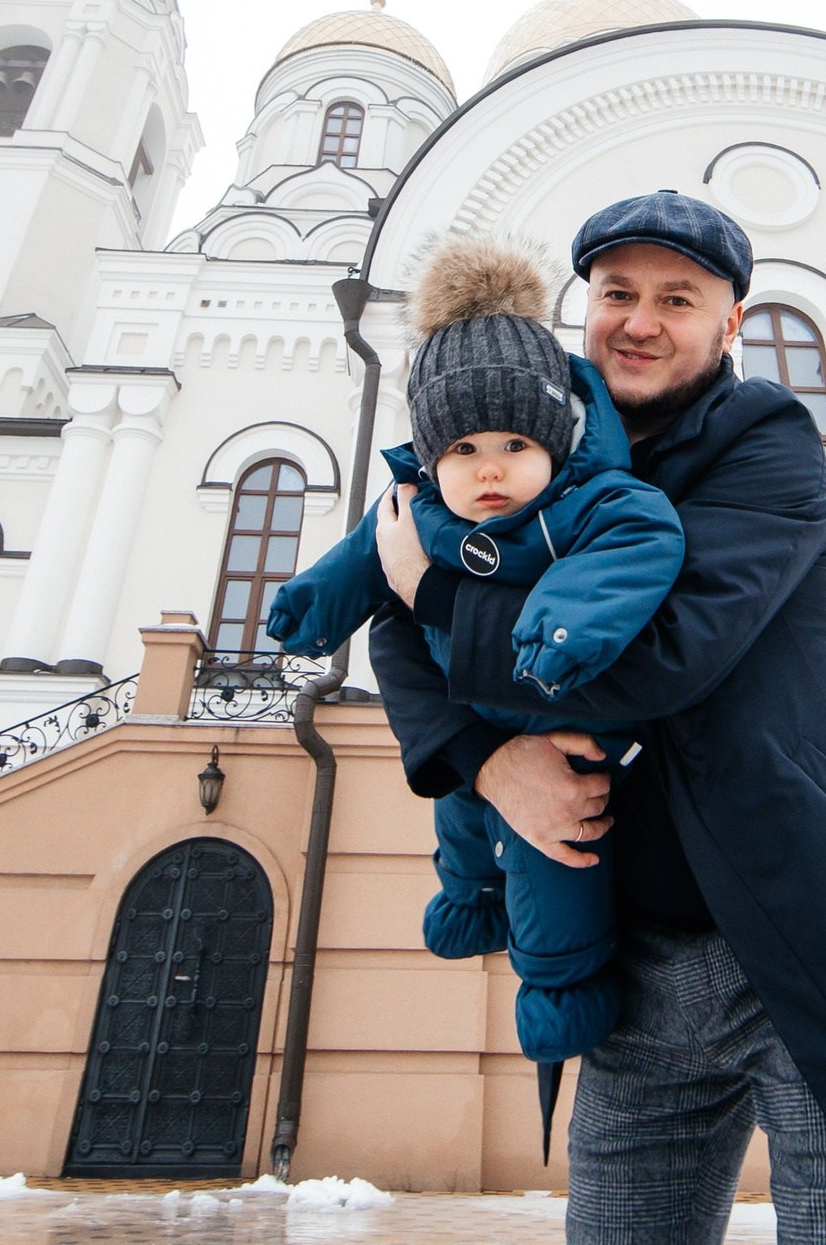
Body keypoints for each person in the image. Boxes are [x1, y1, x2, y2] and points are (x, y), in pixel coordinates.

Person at [368, 192, 826, 1245]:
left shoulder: (761, 442)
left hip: (799, 939)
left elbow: (659, 658)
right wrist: (488, 759)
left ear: (730, 324)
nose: (639, 320)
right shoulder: (526, 445)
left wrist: (435, 591)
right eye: (617, 293)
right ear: (581, 307)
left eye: (676, 298)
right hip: (633, 960)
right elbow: (398, 618)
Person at [266, 237, 683, 1099]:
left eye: (512, 443)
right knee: (461, 822)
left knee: (553, 863)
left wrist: (561, 627)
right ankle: (466, 902)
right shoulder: (416, 508)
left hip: (562, 726)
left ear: (558, 437)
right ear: (430, 457)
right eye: (461, 450)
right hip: (473, 729)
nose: (488, 466)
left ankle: (561, 996)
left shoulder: (591, 500)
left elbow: (638, 551)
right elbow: (367, 562)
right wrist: (313, 605)